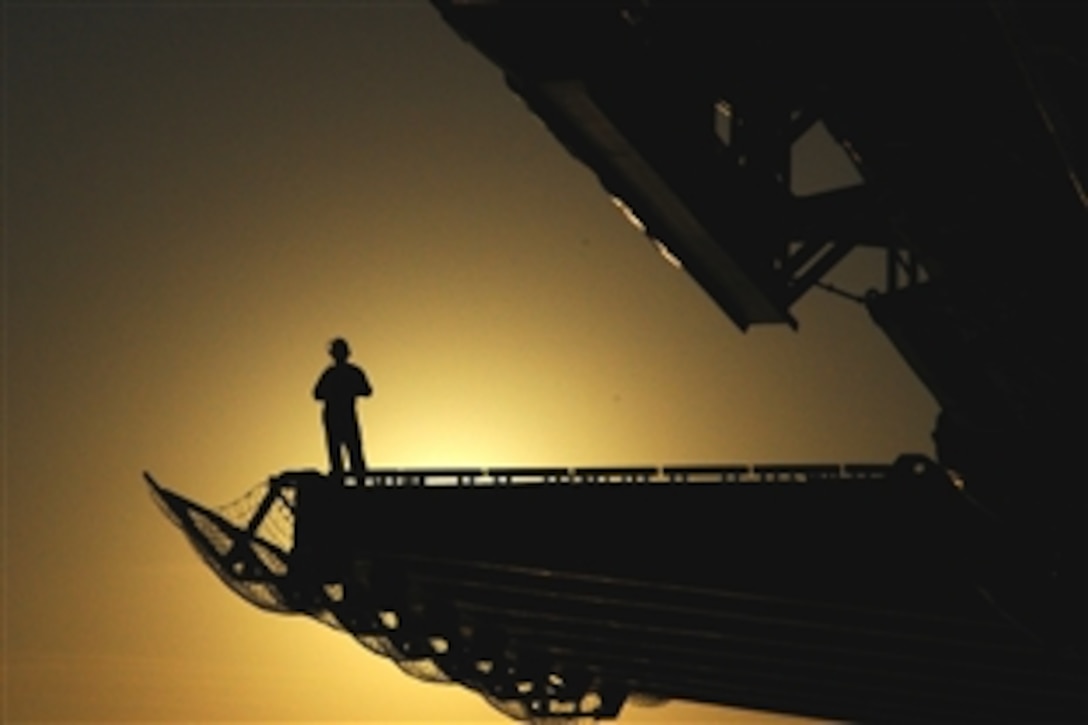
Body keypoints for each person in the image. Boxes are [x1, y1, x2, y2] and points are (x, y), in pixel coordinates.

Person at [313, 337, 372, 483]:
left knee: (353, 450)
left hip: (344, 415)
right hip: (335, 416)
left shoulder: (348, 372)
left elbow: (367, 391)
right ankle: (344, 482)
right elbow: (317, 394)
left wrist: (348, 390)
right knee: (338, 452)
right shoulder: (334, 373)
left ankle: (358, 483)